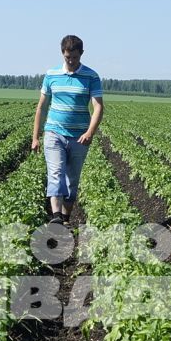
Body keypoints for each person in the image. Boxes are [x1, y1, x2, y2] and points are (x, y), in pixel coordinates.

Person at [30, 34, 103, 224]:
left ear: (82, 54)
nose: (71, 61)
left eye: (75, 57)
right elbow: (42, 107)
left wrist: (89, 132)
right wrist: (35, 137)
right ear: (62, 53)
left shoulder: (91, 76)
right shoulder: (51, 75)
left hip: (79, 137)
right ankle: (55, 217)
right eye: (67, 57)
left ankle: (65, 218)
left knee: (72, 181)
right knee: (56, 173)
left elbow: (98, 107)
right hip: (54, 133)